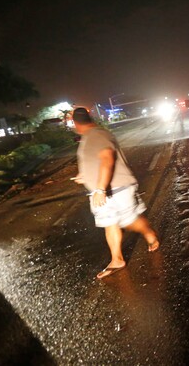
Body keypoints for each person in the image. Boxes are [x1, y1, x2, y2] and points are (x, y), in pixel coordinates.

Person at [71, 107, 159, 280]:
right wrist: (86, 175)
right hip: (102, 191)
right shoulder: (90, 136)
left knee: (129, 222)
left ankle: (149, 233)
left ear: (75, 123)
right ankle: (117, 260)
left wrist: (100, 189)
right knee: (109, 223)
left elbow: (107, 158)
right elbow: (97, 161)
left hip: (116, 188)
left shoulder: (96, 135)